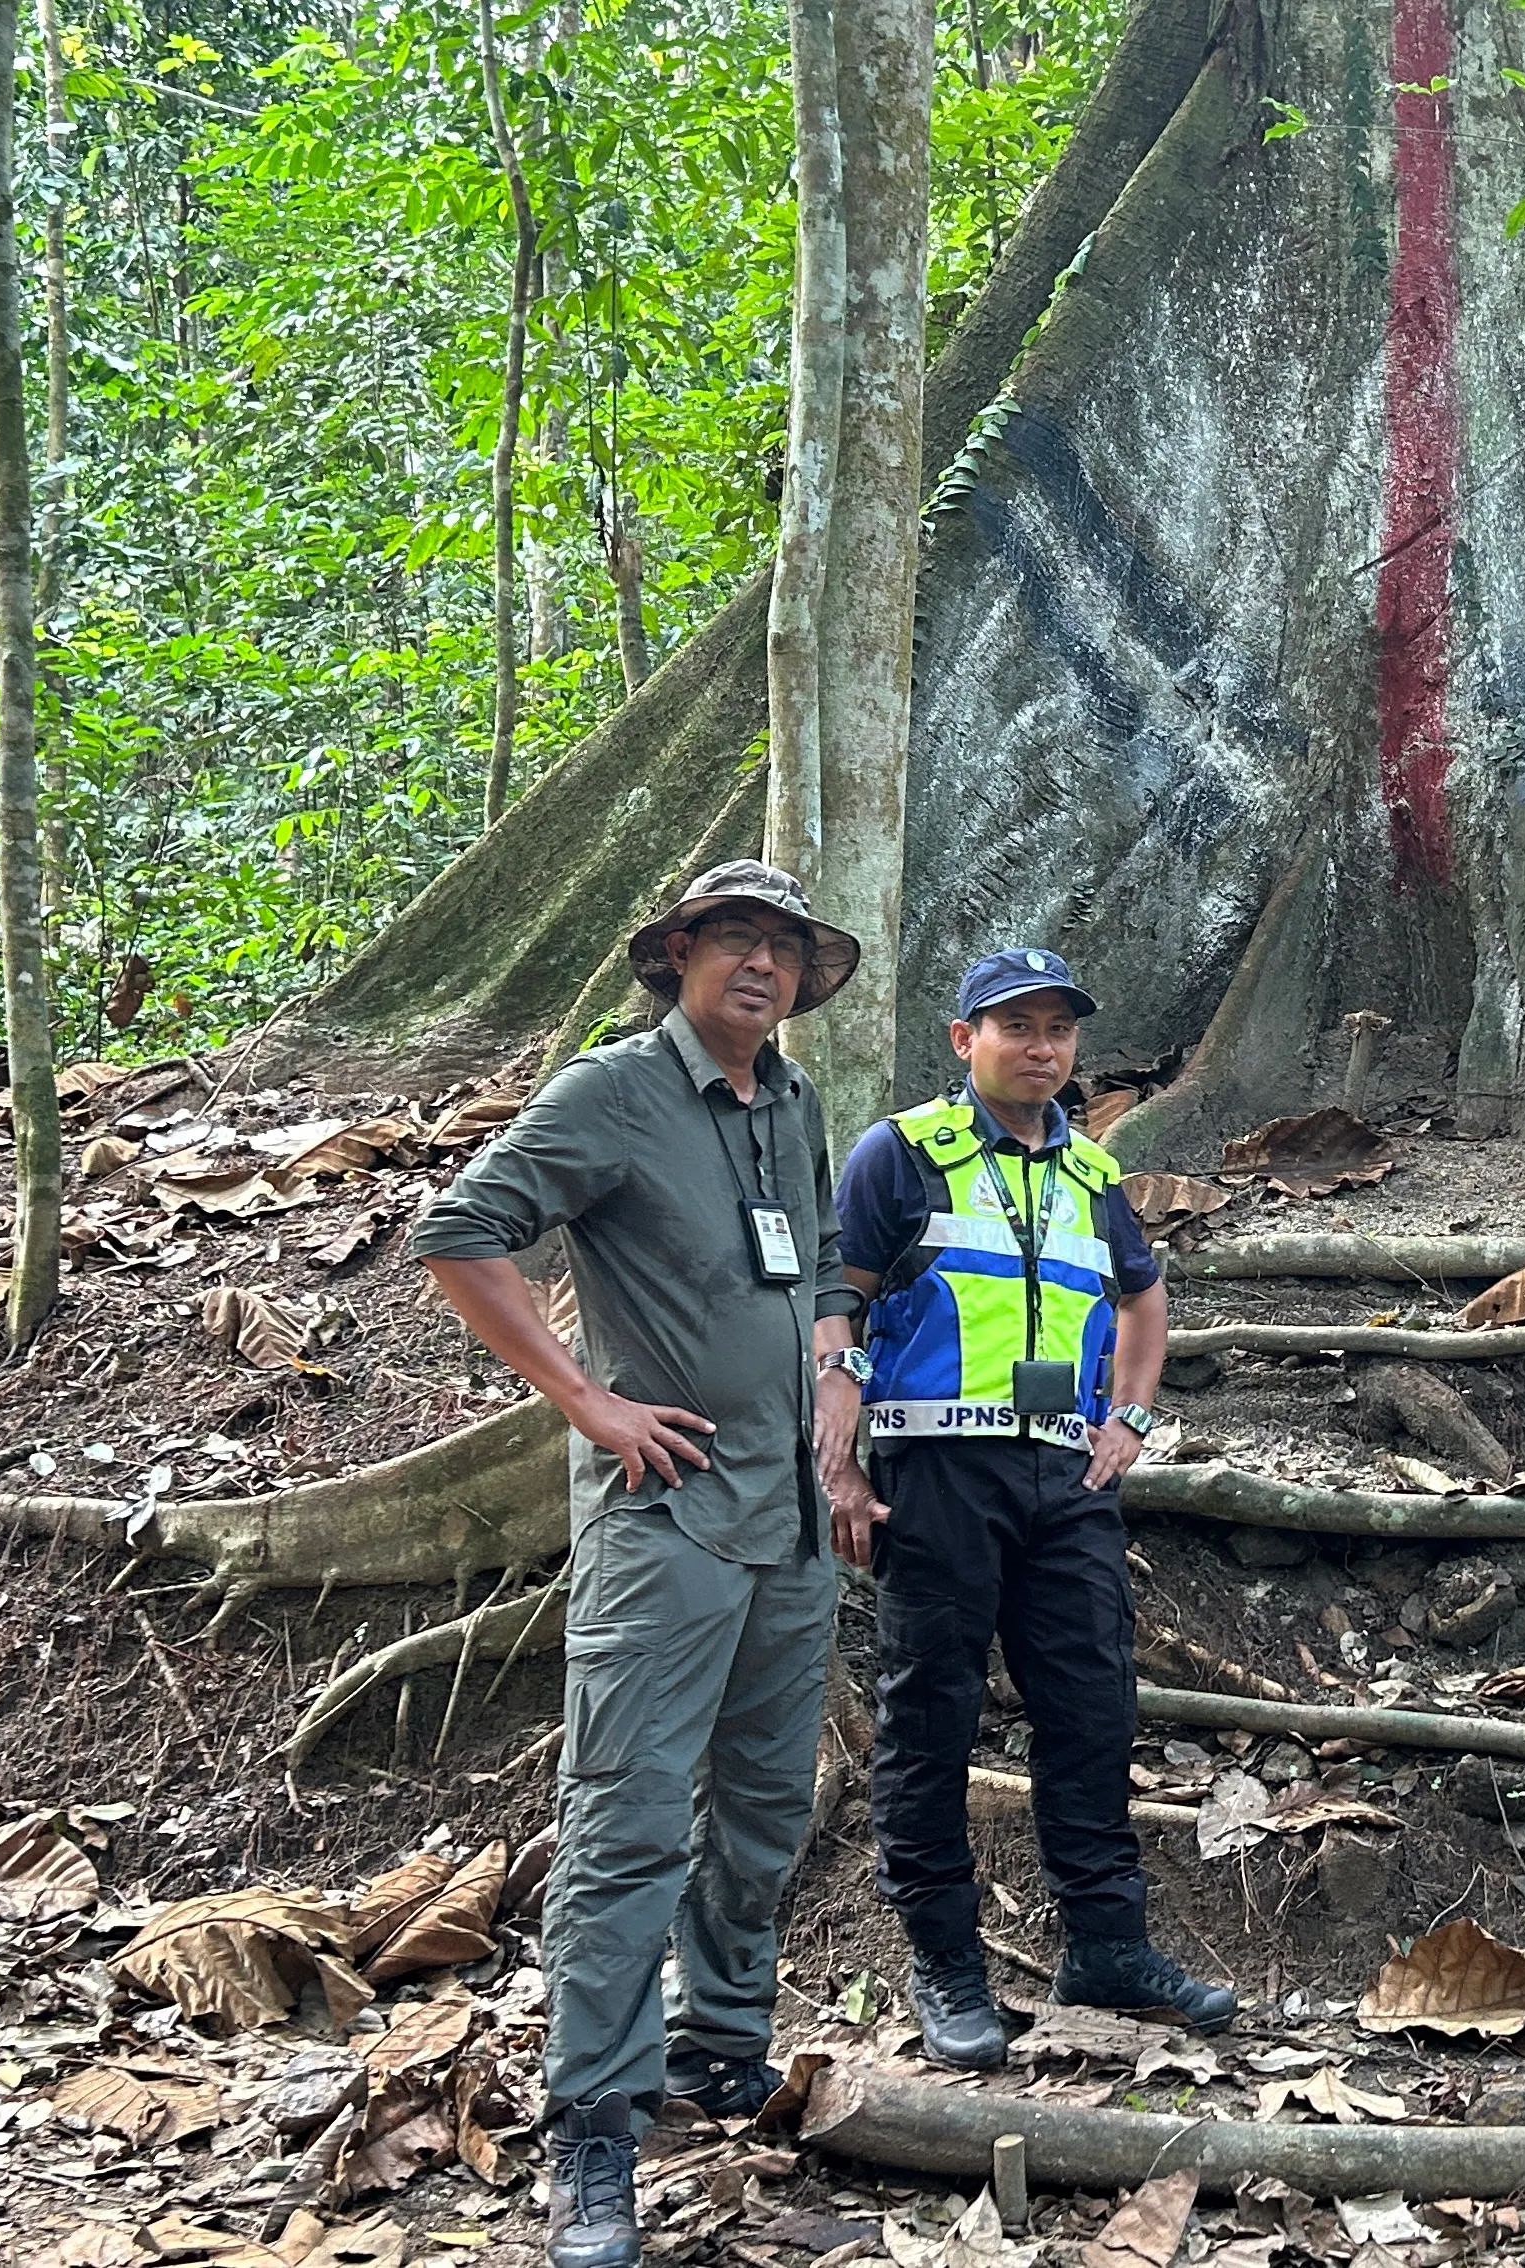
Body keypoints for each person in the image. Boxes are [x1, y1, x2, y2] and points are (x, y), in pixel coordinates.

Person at [408, 860, 866, 2268]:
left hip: (791, 1519)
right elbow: (460, 1232)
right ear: (676, 956)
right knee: (626, 1822)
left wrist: (836, 1385)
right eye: (734, 940)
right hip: (663, 1520)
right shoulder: (613, 1091)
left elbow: (823, 1265)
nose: (762, 966)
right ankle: (594, 2121)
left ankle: (723, 2042)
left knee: (766, 1807)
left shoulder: (792, 1102)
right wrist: (587, 1401)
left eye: (784, 948)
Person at [812, 947, 1235, 2070]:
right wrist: (840, 1461)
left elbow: (1144, 1300)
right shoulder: (902, 1154)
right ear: (964, 1042)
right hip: (937, 1473)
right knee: (932, 1718)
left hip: (1068, 1478)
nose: (1042, 1047)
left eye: (1059, 1030)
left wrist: (1131, 1420)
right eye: (1016, 1027)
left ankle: (1105, 1943)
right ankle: (945, 1962)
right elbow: (836, 1306)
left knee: (1093, 1709)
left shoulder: (1095, 1175)